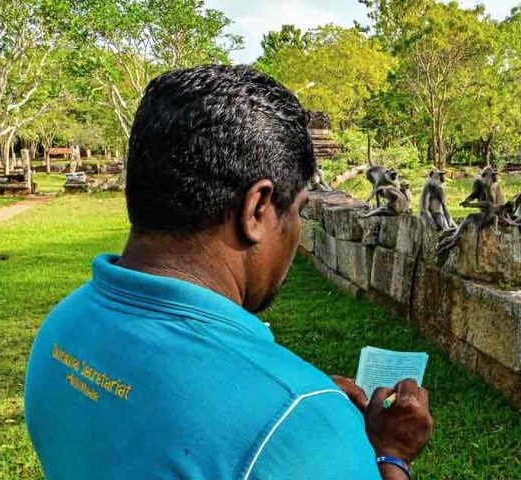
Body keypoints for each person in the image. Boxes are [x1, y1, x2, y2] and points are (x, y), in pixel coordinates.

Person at [24, 65, 433, 480]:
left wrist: (276, 395)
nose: (295, 233)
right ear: (257, 209)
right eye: (298, 212)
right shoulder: (304, 433)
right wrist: (390, 455)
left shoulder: (61, 329)